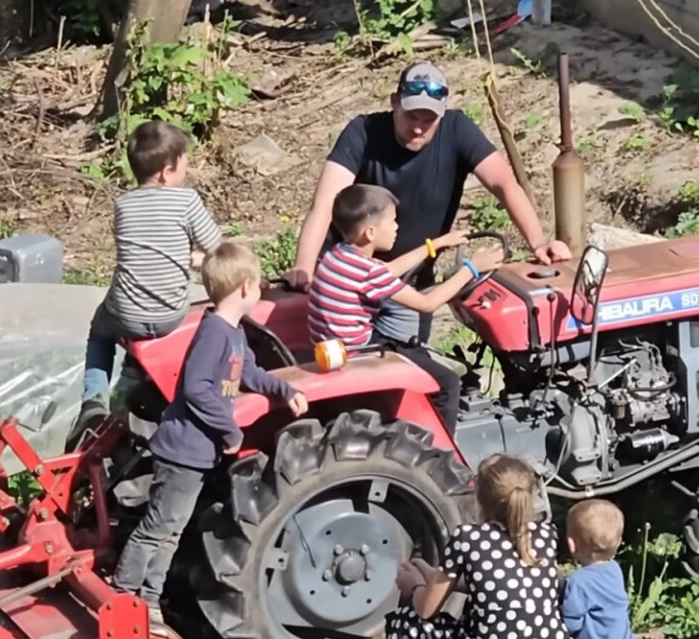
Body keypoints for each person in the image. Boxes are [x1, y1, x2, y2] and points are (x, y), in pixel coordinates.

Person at [284, 60, 572, 346]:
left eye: (428, 120)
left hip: (410, 283)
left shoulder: (458, 129)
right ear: (395, 102)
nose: (419, 128)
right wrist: (304, 267)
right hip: (351, 284)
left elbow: (504, 185)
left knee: (413, 367)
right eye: (412, 116)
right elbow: (324, 205)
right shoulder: (363, 131)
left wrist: (538, 244)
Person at [110, 241, 308, 637]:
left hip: (197, 454)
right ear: (246, 287)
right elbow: (198, 389)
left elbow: (249, 374)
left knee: (171, 531)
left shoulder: (234, 333)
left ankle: (147, 601)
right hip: (183, 450)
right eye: (259, 284)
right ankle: (124, 595)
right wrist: (229, 429)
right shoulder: (213, 334)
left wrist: (286, 391)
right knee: (158, 528)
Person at [308, 184, 502, 434]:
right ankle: (443, 459)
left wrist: (437, 245)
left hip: (339, 346)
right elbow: (427, 304)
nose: (397, 226)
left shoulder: (338, 255)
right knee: (447, 383)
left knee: (415, 350)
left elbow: (388, 271)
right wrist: (472, 268)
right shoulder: (367, 271)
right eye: (392, 221)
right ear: (370, 232)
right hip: (360, 352)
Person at [75, 120, 224, 438]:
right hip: (169, 314)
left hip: (126, 311)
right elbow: (219, 251)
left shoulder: (123, 206)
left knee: (100, 331)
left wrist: (186, 257)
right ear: (166, 171)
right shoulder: (186, 201)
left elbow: (147, 252)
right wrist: (201, 259)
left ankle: (93, 401)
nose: (188, 170)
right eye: (185, 163)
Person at [387, 453, 568, 639]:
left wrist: (414, 585)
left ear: (480, 495)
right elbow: (500, 582)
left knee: (407, 620)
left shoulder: (467, 537)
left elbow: (426, 610)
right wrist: (428, 571)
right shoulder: (547, 534)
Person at [562, 499, 636, 639]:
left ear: (572, 544)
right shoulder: (615, 570)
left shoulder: (577, 582)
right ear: (619, 542)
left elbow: (571, 623)